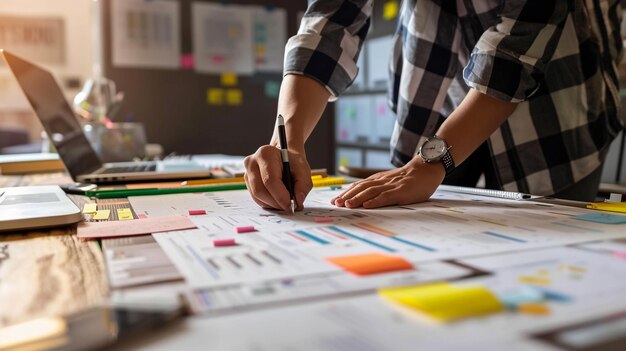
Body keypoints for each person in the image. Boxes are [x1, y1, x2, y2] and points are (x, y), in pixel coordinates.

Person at [244, 0, 624, 211]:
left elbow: (515, 49)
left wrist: (432, 161)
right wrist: (287, 139)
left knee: (547, 255)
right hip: (434, 89)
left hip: (551, 108)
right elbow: (330, 23)